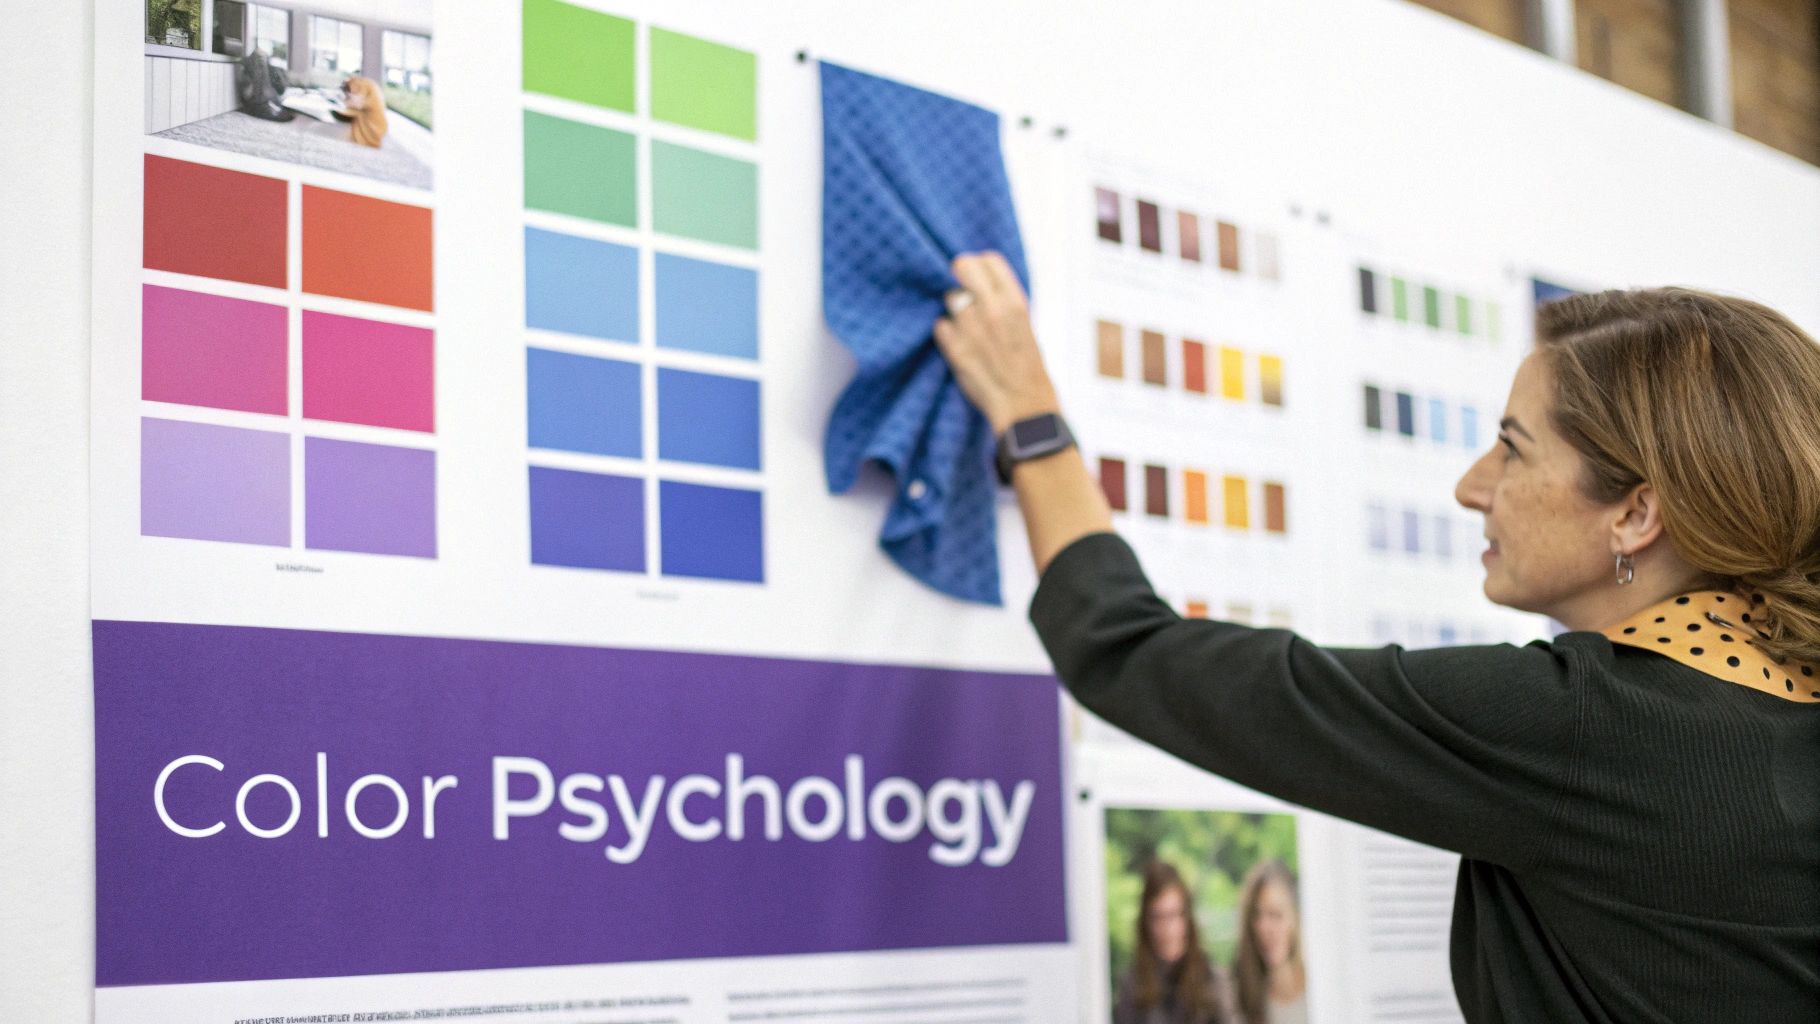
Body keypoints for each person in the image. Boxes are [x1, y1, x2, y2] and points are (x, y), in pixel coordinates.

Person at [931, 254, 1820, 1022]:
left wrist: (1030, 415)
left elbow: (1131, 651)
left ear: (1635, 513)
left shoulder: (1585, 727)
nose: (1472, 486)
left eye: (1512, 449)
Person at [1113, 860, 1232, 1024]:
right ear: (1146, 922)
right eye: (1158, 917)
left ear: (1186, 917)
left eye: (1174, 914)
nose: (1167, 928)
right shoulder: (1132, 986)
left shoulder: (1212, 980)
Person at [1231, 860, 1305, 1024]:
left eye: (1275, 914)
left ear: (1295, 918)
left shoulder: (1323, 986)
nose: (1264, 928)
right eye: (1257, 915)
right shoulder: (1240, 998)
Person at [341, 76, 389, 148]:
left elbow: (356, 104)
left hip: (374, 128)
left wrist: (347, 102)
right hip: (377, 126)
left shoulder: (361, 87)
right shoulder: (366, 85)